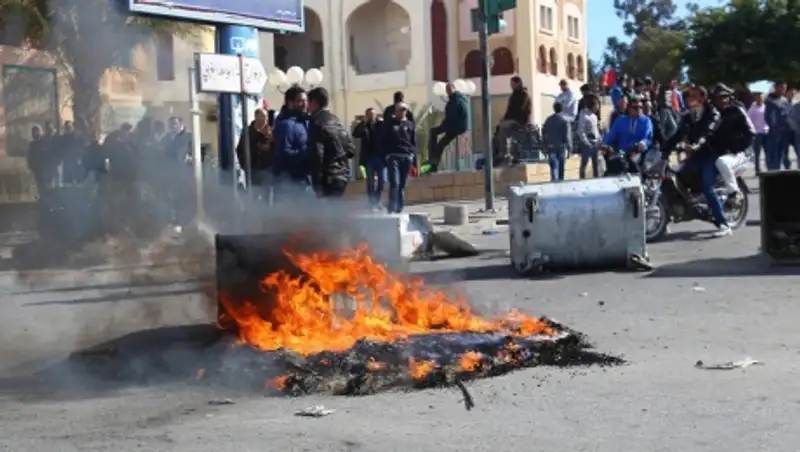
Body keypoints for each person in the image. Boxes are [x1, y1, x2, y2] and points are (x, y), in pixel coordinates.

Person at [661, 85, 730, 237]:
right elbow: (677, 134)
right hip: (695, 155)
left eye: (693, 96)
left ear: (702, 98)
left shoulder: (713, 114)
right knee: (676, 178)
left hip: (712, 155)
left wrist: (694, 146)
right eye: (688, 96)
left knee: (708, 187)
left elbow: (707, 134)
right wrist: (664, 149)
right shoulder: (688, 116)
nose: (689, 99)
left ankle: (723, 223)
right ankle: (687, 209)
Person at [710, 83, 755, 204]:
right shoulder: (713, 115)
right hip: (723, 153)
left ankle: (734, 192)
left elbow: (751, 133)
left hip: (741, 154)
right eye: (719, 97)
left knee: (722, 162)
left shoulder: (737, 111)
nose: (723, 100)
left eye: (725, 97)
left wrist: (738, 147)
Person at [306, 87, 355, 198]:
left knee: (326, 213)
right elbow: (351, 150)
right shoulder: (336, 120)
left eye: (308, 102)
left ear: (314, 102)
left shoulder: (316, 122)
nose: (307, 106)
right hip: (343, 175)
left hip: (327, 178)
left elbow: (317, 154)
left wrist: (317, 184)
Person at [272, 86, 311, 194]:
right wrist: (307, 153)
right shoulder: (286, 125)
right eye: (300, 101)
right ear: (290, 103)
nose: (304, 104)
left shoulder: (303, 121)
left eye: (305, 101)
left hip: (304, 180)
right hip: (290, 183)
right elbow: (283, 153)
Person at [423, 83, 469, 174]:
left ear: (449, 91)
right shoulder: (462, 98)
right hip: (459, 126)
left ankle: (432, 163)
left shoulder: (455, 101)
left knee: (433, 132)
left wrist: (442, 127)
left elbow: (450, 117)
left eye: (448, 91)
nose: (448, 93)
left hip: (454, 126)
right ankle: (433, 164)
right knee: (441, 144)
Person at [602, 94, 653, 175]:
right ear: (629, 108)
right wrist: (604, 145)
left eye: (640, 107)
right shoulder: (620, 120)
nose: (638, 110)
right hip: (620, 154)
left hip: (637, 153)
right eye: (635, 108)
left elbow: (647, 137)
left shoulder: (646, 121)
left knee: (633, 165)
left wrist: (641, 144)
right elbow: (611, 136)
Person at [384, 102, 417, 213]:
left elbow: (413, 141)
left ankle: (400, 208)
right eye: (399, 110)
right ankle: (392, 207)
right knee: (395, 182)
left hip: (406, 157)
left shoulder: (410, 124)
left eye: (404, 110)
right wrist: (387, 154)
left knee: (402, 184)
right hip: (393, 156)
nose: (402, 112)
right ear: (396, 111)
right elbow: (383, 140)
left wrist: (412, 155)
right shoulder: (390, 124)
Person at [236, 109, 273, 199]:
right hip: (252, 169)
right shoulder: (248, 132)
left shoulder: (271, 131)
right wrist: (245, 165)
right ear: (256, 117)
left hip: (266, 169)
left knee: (266, 196)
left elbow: (275, 148)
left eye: (266, 117)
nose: (264, 120)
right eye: (262, 117)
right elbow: (240, 149)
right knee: (253, 196)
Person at [353, 107, 385, 209]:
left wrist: (383, 122)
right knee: (370, 182)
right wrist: (363, 123)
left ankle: (377, 200)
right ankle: (372, 202)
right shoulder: (364, 126)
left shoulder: (380, 125)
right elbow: (355, 134)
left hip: (380, 157)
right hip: (369, 158)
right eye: (369, 115)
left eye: (373, 114)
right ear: (366, 116)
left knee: (382, 181)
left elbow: (388, 130)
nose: (372, 116)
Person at [764, 81, 791, 171]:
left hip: (785, 132)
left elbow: (788, 114)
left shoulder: (784, 100)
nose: (783, 90)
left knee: (783, 155)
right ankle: (773, 174)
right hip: (774, 133)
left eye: (784, 88)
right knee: (773, 155)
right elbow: (769, 118)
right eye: (781, 88)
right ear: (776, 87)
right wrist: (775, 127)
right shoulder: (769, 101)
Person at [541, 102, 572, 181]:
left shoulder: (548, 119)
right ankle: (560, 182)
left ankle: (554, 180)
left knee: (553, 166)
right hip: (561, 147)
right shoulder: (564, 120)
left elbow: (544, 132)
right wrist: (569, 149)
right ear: (562, 109)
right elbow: (567, 136)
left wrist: (544, 145)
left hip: (551, 146)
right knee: (561, 167)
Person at [576, 95, 601, 178]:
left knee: (596, 163)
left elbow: (596, 129)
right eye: (596, 105)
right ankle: (582, 178)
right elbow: (581, 131)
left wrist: (599, 139)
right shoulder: (584, 115)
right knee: (584, 163)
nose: (598, 107)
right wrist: (586, 142)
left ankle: (596, 178)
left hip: (595, 142)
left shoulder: (595, 116)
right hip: (587, 143)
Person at [747, 92, 768, 174]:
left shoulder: (766, 107)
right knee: (757, 153)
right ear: (755, 99)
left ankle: (769, 168)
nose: (760, 99)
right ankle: (757, 169)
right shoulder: (752, 109)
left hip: (766, 132)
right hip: (757, 134)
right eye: (758, 98)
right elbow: (748, 121)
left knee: (768, 152)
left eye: (761, 98)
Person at [26, 125, 48, 193]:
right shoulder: (32, 144)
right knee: (39, 184)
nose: (35, 134)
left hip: (45, 168)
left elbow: (46, 154)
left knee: (46, 184)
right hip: (36, 168)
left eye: (36, 132)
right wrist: (31, 166)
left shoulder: (44, 142)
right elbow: (30, 156)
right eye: (33, 132)